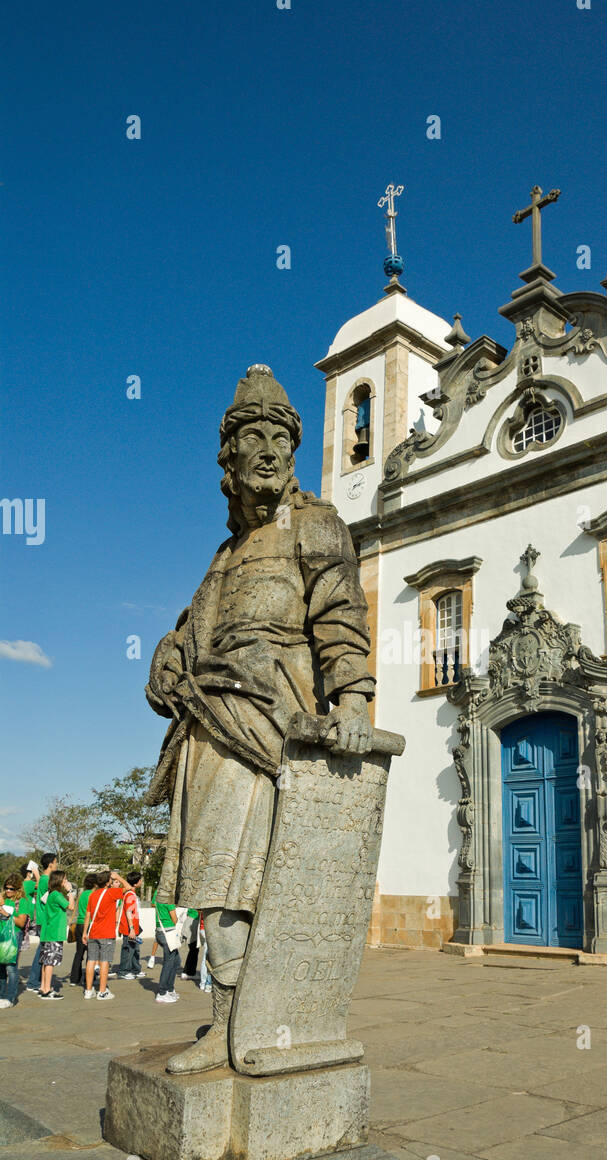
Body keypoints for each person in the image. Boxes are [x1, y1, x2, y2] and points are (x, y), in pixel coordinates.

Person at [144, 364, 373, 1072]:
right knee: (218, 886)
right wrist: (169, 655)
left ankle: (269, 1022)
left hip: (279, 727)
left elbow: (340, 614)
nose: (270, 450)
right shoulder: (223, 555)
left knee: (267, 883)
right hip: (212, 726)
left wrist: (354, 699)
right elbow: (194, 633)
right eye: (254, 438)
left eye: (282, 437)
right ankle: (228, 1022)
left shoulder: (316, 525)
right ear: (230, 458)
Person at [83, 869, 132, 1000]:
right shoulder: (111, 893)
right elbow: (129, 888)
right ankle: (102, 991)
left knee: (91, 960)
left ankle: (88, 990)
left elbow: (88, 914)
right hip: (106, 932)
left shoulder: (92, 895)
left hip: (93, 932)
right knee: (105, 961)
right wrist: (119, 877)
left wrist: (85, 932)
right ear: (108, 881)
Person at [25, 852, 56, 993]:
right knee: (43, 952)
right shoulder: (45, 879)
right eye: (55, 862)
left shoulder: (44, 879)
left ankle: (36, 981)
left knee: (42, 951)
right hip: (45, 920)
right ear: (50, 864)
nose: (56, 865)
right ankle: (33, 982)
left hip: (44, 920)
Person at [40, 869, 73, 1000]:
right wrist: (70, 891)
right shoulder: (56, 895)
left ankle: (43, 987)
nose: (66, 881)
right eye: (64, 879)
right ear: (59, 880)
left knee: (45, 961)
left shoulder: (51, 894)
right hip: (54, 933)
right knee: (50, 962)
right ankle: (47, 990)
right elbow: (70, 906)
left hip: (48, 932)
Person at [0, 874, 29, 1008]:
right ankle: (1, 996)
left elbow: (21, 922)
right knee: (0, 967)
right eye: (6, 888)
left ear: (18, 889)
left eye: (11, 889)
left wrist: (7, 915)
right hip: (1, 936)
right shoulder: (2, 899)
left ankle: (10, 997)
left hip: (14, 936)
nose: (8, 891)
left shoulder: (22, 902)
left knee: (11, 968)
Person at [69, 873, 96, 987]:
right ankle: (88, 978)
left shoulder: (82, 894)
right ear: (95, 883)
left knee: (79, 953)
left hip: (79, 924)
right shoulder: (94, 895)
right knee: (92, 954)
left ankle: (74, 979)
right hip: (89, 924)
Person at [153, 898, 181, 1003]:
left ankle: (169, 988)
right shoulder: (169, 901)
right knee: (169, 963)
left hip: (160, 931)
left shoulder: (158, 896)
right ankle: (162, 992)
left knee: (176, 961)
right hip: (168, 932)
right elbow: (175, 919)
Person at [118, 871, 145, 979]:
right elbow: (129, 912)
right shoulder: (130, 895)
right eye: (140, 880)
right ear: (135, 883)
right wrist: (132, 929)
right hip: (129, 927)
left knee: (135, 948)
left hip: (133, 926)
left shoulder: (131, 894)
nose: (141, 882)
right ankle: (123, 971)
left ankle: (135, 969)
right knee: (128, 949)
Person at [180, 908, 203, 980]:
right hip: (194, 922)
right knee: (194, 950)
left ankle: (187, 972)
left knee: (192, 950)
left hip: (189, 920)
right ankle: (188, 973)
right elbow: (200, 911)